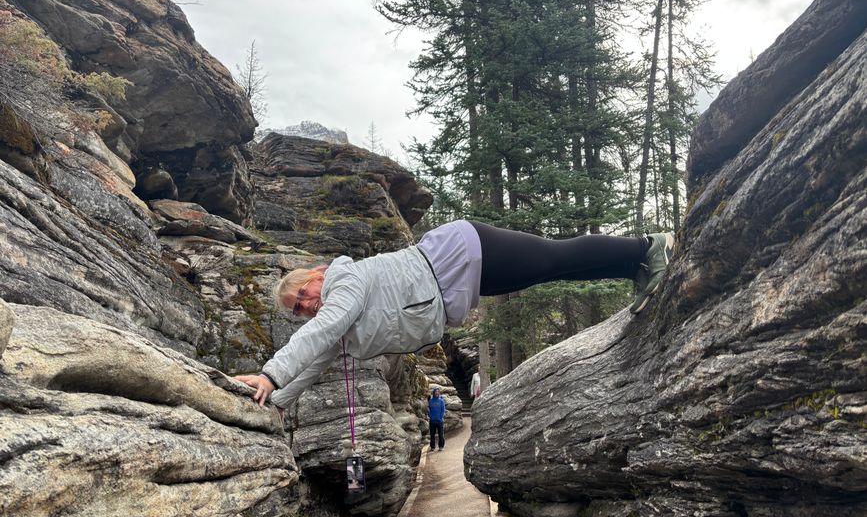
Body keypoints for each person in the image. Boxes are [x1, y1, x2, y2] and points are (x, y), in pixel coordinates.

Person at [235, 220, 674, 411]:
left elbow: (324, 328)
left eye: (303, 295)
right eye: (298, 309)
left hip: (459, 255)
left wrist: (270, 374)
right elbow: (314, 360)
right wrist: (276, 402)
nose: (307, 306)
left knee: (551, 258)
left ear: (315, 276)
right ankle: (634, 268)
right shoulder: (337, 316)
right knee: (549, 269)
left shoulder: (342, 282)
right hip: (457, 281)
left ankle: (648, 247)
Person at [428, 387, 446, 451]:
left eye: (438, 391)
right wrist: (430, 416)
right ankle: (432, 446)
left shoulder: (441, 401)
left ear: (439, 393)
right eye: (436, 391)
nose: (437, 392)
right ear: (434, 392)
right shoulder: (430, 401)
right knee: (432, 435)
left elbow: (443, 410)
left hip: (439, 421)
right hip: (432, 421)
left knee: (441, 434)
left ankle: (441, 446)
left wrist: (440, 417)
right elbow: (428, 410)